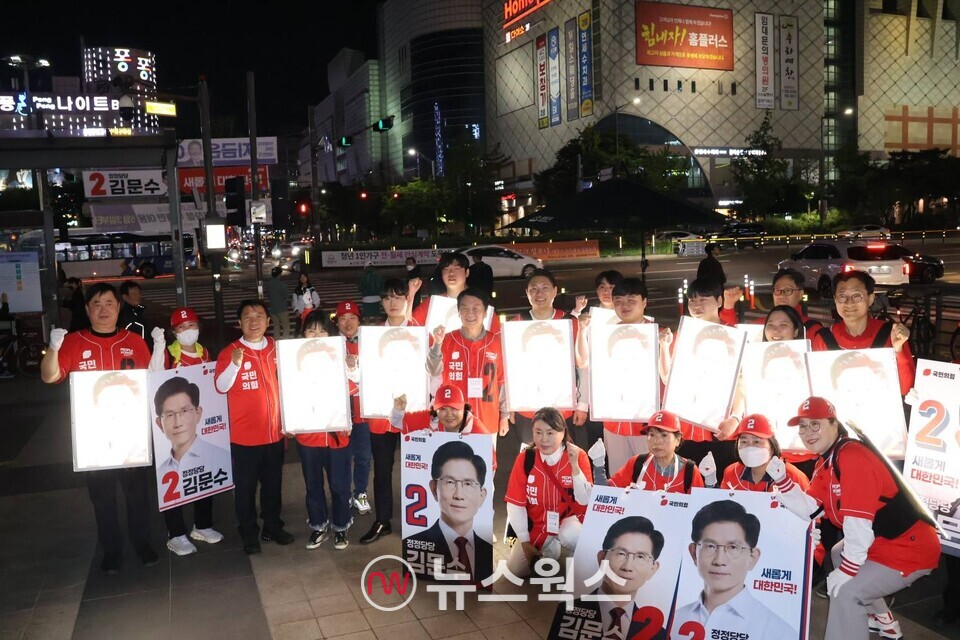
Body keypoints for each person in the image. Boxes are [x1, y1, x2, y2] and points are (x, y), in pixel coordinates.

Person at [769, 396, 941, 640]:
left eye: (815, 424)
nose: (808, 432)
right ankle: (883, 620)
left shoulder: (851, 456)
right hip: (882, 541)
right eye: (803, 427)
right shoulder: (826, 461)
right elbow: (811, 508)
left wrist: (848, 570)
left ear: (833, 423)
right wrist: (783, 482)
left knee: (845, 592)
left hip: (910, 548)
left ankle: (860, 611)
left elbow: (858, 523)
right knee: (838, 553)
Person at [40, 282, 158, 574]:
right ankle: (112, 550)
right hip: (94, 440)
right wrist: (53, 350)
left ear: (119, 308)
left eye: (109, 303)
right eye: (97, 303)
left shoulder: (135, 341)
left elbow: (153, 379)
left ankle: (141, 542)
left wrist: (159, 351)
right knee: (103, 497)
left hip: (132, 437)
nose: (103, 309)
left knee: (137, 495)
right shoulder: (74, 342)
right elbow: (50, 376)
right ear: (87, 309)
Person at [214, 299, 293, 554]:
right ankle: (249, 533)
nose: (254, 320)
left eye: (259, 315)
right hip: (244, 439)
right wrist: (235, 365)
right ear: (239, 323)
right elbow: (221, 386)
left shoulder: (277, 350)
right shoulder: (230, 352)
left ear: (268, 321)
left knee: (272, 487)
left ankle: (272, 526)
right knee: (245, 490)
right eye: (247, 316)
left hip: (274, 435)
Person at [672, 499, 796, 638]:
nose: (719, 561)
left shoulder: (779, 632)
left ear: (752, 557)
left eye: (733, 547)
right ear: (694, 553)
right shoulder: (675, 619)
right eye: (710, 546)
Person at [360, 279, 423, 545]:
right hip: (381, 413)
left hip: (414, 413)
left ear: (407, 300)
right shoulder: (372, 335)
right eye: (387, 298)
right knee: (382, 469)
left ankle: (418, 518)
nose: (393, 303)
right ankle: (383, 519)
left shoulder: (420, 331)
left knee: (417, 467)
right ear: (382, 302)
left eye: (398, 297)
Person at [504, 407, 592, 577]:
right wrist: (524, 540)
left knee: (576, 537)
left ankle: (577, 562)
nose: (544, 439)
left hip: (568, 520)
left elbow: (584, 499)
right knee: (516, 570)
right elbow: (515, 503)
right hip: (538, 523)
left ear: (562, 432)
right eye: (538, 432)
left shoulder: (578, 455)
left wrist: (575, 468)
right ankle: (550, 547)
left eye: (550, 433)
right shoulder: (526, 458)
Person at [547, 516, 666, 640]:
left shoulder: (659, 634)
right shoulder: (564, 613)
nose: (628, 566)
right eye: (621, 553)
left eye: (641, 557)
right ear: (602, 559)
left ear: (653, 569)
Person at [294, 310, 352, 551]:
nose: (316, 335)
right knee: (313, 484)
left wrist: (352, 368)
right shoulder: (293, 361)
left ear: (330, 333)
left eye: (322, 330)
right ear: (303, 333)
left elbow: (355, 389)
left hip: (337, 433)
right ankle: (318, 524)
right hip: (308, 435)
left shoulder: (341, 356)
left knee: (340, 484)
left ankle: (341, 526)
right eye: (311, 330)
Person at [153, 376, 230, 556]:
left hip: (209, 457)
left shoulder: (219, 455)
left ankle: (202, 525)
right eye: (170, 414)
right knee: (169, 491)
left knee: (204, 476)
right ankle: (176, 534)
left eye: (185, 411)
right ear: (160, 422)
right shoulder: (162, 468)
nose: (178, 422)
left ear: (198, 413)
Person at [426, 288, 509, 445]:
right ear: (458, 312)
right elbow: (432, 370)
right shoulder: (447, 340)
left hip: (487, 420)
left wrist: (504, 415)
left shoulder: (497, 343)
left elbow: (502, 382)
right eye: (464, 308)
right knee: (452, 466)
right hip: (452, 421)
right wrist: (437, 344)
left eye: (476, 308)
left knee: (486, 467)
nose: (470, 313)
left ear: (485, 312)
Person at [811, 271, 915, 394]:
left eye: (856, 295)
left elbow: (906, 389)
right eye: (842, 296)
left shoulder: (891, 334)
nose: (849, 303)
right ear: (835, 300)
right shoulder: (824, 338)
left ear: (871, 298)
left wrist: (899, 350)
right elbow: (817, 388)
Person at [404, 440, 493, 582]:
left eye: (468, 484)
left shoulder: (487, 551)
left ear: (482, 495)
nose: (458, 495)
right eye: (450, 482)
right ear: (434, 489)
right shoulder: (412, 546)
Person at [592, 410, 705, 494]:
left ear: (678, 439)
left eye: (664, 435)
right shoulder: (637, 463)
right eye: (651, 435)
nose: (657, 441)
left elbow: (702, 510)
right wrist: (598, 466)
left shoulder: (689, 471)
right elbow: (606, 494)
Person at [335, 301, 372, 518]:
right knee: (343, 457)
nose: (348, 323)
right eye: (343, 318)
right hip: (341, 411)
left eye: (352, 318)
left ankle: (360, 492)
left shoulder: (369, 343)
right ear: (337, 322)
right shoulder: (330, 344)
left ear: (359, 320)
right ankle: (344, 494)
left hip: (364, 409)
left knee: (364, 456)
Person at [715, 414, 809, 492]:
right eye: (744, 442)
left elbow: (809, 512)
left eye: (756, 442)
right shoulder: (731, 472)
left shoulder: (793, 477)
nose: (749, 447)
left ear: (772, 446)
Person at [411, 252, 501, 333]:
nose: (451, 273)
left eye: (456, 269)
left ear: (467, 272)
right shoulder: (431, 304)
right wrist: (411, 295)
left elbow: (496, 337)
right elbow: (411, 328)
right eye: (446, 269)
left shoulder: (481, 304)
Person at [389, 384, 488, 435]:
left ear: (463, 408)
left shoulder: (478, 431)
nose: (449, 414)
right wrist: (398, 410)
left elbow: (491, 466)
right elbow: (397, 421)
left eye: (454, 408)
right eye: (443, 409)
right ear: (436, 410)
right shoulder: (430, 418)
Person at [760, 268, 823, 339]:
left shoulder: (814, 329)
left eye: (788, 290)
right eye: (777, 290)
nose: (781, 295)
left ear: (800, 294)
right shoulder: (756, 325)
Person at [265, 267, 291, 339]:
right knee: (286, 326)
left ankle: (276, 341)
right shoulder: (281, 284)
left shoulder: (269, 284)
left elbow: (268, 295)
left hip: (273, 308)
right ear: (279, 274)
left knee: (276, 326)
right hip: (282, 308)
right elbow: (286, 295)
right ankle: (284, 341)